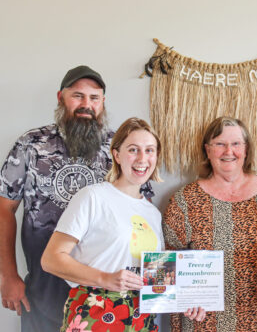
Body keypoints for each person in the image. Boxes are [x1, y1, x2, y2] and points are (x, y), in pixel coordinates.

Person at [0, 65, 151, 332]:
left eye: (94, 98)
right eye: (77, 96)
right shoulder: (31, 144)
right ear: (61, 98)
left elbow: (141, 212)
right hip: (42, 285)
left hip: (104, 292)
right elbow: (4, 209)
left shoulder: (120, 148)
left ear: (103, 102)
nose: (86, 104)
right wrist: (8, 276)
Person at [163, 116, 257, 332]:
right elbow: (167, 263)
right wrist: (183, 297)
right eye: (220, 144)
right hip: (202, 322)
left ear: (246, 149)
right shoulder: (184, 200)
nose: (228, 151)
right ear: (208, 150)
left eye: (236, 144)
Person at [41, 117, 165, 331]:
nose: (142, 158)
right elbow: (51, 259)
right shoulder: (93, 197)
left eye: (150, 150)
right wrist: (105, 278)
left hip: (140, 318)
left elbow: (156, 277)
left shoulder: (153, 213)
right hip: (94, 312)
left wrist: (187, 301)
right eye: (133, 150)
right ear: (116, 155)